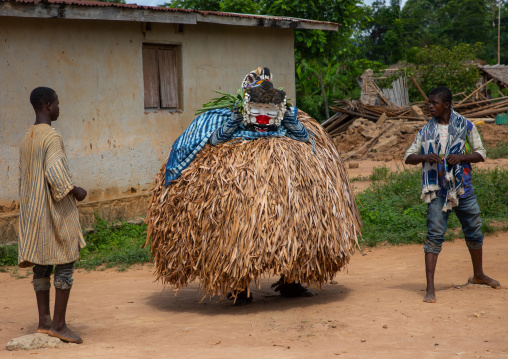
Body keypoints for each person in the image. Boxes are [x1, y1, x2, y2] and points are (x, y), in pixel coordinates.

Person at [404, 86, 501, 303]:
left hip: (462, 188)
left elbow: (481, 154)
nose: (429, 106)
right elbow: (408, 157)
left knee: (474, 231)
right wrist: (424, 156)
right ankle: (430, 287)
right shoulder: (424, 131)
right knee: (434, 236)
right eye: (428, 103)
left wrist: (462, 157)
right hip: (437, 191)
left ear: (446, 105)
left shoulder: (465, 126)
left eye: (433, 103)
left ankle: (479, 275)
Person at [18, 87, 87, 343]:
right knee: (65, 262)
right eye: (58, 103)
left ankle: (44, 321)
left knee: (42, 266)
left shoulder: (27, 137)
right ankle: (58, 325)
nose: (59, 107)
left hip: (34, 213)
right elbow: (57, 174)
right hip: (53, 211)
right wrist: (77, 190)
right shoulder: (52, 138)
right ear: (48, 105)